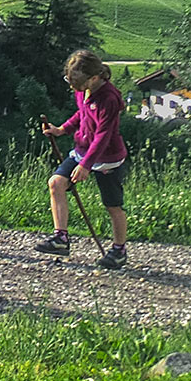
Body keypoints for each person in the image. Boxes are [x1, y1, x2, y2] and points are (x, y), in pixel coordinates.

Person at [36, 49, 129, 269]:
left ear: (95, 77)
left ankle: (118, 250)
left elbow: (103, 135)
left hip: (107, 158)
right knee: (56, 183)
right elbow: (82, 114)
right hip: (82, 150)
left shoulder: (109, 98)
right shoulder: (82, 90)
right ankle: (61, 239)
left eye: (76, 81)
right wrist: (61, 130)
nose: (72, 86)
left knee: (113, 206)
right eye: (69, 79)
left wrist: (86, 165)